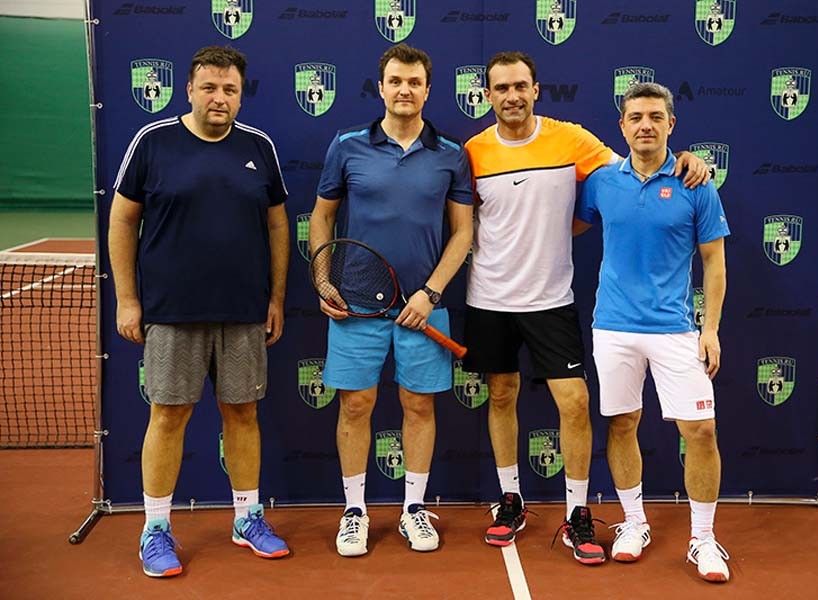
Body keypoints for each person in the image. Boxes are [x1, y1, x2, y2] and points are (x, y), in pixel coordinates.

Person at [463, 51, 710, 565]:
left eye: (521, 86)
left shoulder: (572, 140)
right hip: (488, 297)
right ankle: (510, 499)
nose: (512, 96)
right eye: (501, 88)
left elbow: (637, 164)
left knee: (575, 404)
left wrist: (686, 158)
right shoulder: (472, 151)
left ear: (536, 91)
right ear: (487, 95)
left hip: (552, 299)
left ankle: (578, 513)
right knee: (501, 395)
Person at [108, 45, 290, 578]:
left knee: (243, 413)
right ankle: (155, 529)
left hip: (243, 312)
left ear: (241, 95)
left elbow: (278, 225)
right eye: (209, 87)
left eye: (229, 89)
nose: (219, 98)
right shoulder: (152, 142)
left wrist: (276, 298)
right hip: (172, 312)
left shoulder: (259, 147)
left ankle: (247, 518)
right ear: (189, 90)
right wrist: (127, 299)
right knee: (168, 416)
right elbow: (122, 221)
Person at [308, 43, 473, 557]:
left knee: (418, 406)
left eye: (414, 82)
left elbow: (463, 233)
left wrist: (431, 293)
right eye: (396, 81)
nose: (405, 90)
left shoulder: (451, 153)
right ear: (380, 88)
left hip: (424, 307)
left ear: (428, 89)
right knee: (355, 405)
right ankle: (355, 511)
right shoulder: (347, 145)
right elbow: (321, 217)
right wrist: (323, 279)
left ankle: (413, 509)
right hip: (356, 303)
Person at [574, 82, 731, 582]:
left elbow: (714, 262)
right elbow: (564, 224)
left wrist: (710, 329)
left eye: (655, 117)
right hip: (612, 328)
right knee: (622, 424)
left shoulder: (696, 183)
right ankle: (634, 523)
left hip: (675, 330)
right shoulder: (601, 182)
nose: (646, 125)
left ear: (670, 125)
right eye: (636, 117)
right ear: (622, 126)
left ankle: (703, 538)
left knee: (700, 431)